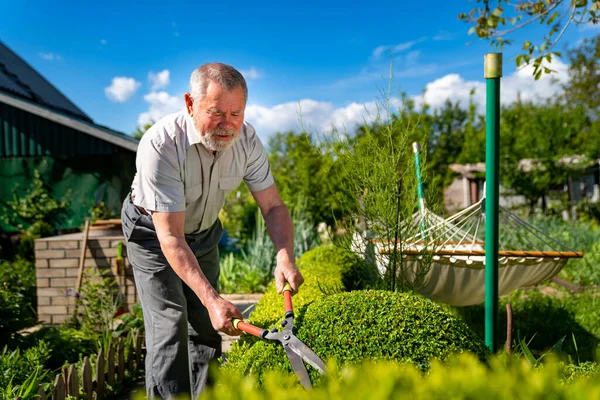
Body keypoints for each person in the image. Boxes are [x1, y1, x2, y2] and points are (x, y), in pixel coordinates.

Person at [120, 62, 304, 399]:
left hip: (203, 232)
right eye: (217, 112)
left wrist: (284, 257)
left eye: (236, 113)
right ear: (190, 104)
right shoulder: (161, 144)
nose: (227, 124)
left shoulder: (247, 141)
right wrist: (212, 299)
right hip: (154, 235)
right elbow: (171, 238)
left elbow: (274, 206)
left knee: (206, 328)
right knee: (170, 326)